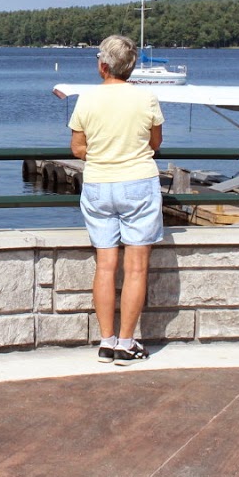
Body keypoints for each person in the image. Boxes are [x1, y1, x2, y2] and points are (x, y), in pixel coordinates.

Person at [68, 34, 164, 366]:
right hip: (138, 182)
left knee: (106, 266)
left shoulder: (86, 99)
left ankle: (106, 342)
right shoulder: (146, 97)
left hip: (98, 185)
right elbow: (155, 143)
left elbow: (78, 149)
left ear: (104, 65)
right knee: (136, 268)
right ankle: (127, 343)